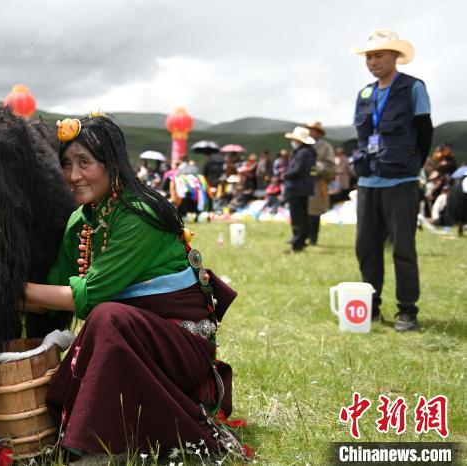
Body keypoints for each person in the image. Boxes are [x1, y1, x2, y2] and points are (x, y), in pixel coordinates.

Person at [23, 115, 244, 463]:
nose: (73, 175)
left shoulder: (139, 215)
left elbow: (87, 297)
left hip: (180, 343)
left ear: (112, 164)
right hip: (134, 338)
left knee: (106, 316)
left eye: (85, 163)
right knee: (108, 320)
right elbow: (52, 291)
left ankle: (103, 446)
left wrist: (12, 292)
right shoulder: (83, 220)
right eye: (66, 164)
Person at [350, 29, 433, 331]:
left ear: (395, 56)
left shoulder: (413, 88)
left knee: (403, 249)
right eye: (369, 56)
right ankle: (369, 307)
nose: (373, 61)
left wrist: (413, 166)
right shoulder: (364, 93)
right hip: (368, 182)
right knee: (366, 248)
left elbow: (424, 132)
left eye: (379, 55)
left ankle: (407, 311)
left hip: (401, 182)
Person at [282, 127, 316, 253]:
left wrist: (284, 175)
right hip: (304, 188)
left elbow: (297, 170)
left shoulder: (302, 153)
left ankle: (297, 245)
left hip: (296, 188)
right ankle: (300, 241)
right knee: (302, 217)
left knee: (298, 218)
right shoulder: (309, 151)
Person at [305, 121, 336, 245]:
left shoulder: (326, 147)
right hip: (304, 182)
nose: (310, 132)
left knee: (314, 211)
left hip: (317, 183)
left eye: (313, 130)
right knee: (303, 211)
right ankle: (302, 236)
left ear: (318, 133)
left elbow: (330, 166)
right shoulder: (304, 145)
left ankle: (313, 239)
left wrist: (316, 166)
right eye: (309, 130)